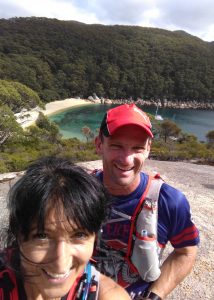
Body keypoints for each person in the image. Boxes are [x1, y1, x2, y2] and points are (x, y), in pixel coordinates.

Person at [93, 104, 199, 300]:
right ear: (99, 144)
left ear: (148, 149)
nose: (126, 159)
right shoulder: (77, 191)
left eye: (137, 148)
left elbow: (185, 251)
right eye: (116, 146)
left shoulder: (170, 201)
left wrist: (154, 296)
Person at [0, 156, 130, 300]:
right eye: (42, 236)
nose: (60, 264)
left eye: (79, 235)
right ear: (18, 236)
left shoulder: (107, 296)